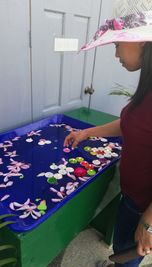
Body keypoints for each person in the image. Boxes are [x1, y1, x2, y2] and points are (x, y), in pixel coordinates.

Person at [64, 1, 152, 266]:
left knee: (130, 253)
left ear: (142, 42)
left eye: (116, 45)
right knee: (123, 247)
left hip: (145, 207)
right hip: (133, 196)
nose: (116, 55)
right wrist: (88, 132)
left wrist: (148, 222)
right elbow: (131, 123)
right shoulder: (147, 86)